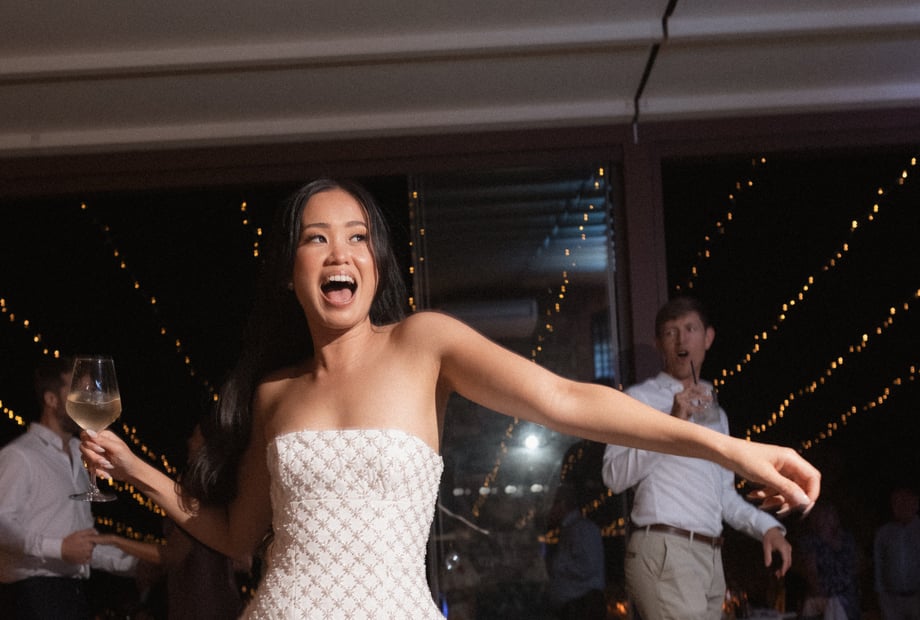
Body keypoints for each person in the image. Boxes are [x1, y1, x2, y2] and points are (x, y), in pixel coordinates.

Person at [79, 179, 820, 619]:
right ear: (291, 271)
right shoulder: (273, 393)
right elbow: (238, 534)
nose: (340, 252)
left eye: (358, 237)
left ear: (375, 263)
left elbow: (565, 398)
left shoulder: (423, 343)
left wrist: (730, 448)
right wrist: (135, 469)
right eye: (316, 238)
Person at [602, 296, 794, 620]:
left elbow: (723, 495)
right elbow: (613, 476)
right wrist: (672, 424)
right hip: (665, 548)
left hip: (710, 556)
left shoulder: (715, 413)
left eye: (690, 329)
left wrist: (768, 528)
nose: (681, 339)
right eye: (670, 332)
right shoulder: (639, 399)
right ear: (659, 344)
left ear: (708, 338)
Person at [0, 356, 137, 619]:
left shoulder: (79, 453)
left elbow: (82, 541)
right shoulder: (20, 456)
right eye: (80, 392)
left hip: (72, 593)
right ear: (51, 399)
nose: (89, 399)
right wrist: (58, 548)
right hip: (30, 595)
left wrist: (136, 565)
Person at [94, 422, 248, 619]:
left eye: (195, 436)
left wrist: (114, 540)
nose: (189, 441)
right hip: (197, 593)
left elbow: (172, 554)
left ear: (208, 446)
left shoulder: (203, 494)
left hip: (203, 598)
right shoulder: (214, 489)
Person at [545, 483, 606, 620]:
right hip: (573, 609)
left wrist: (555, 564)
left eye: (550, 504)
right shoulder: (571, 529)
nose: (548, 510)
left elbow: (587, 567)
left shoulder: (583, 529)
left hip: (581, 609)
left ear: (562, 504)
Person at [798, 501, 860, 620]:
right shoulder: (811, 542)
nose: (827, 519)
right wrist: (821, 592)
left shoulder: (847, 539)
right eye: (824, 515)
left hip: (847, 594)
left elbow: (855, 564)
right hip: (821, 595)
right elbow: (810, 570)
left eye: (831, 514)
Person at [874, 486, 920, 619]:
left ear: (915, 503)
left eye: (905, 501)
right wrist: (881, 595)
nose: (901, 507)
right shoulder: (884, 533)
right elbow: (879, 563)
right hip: (892, 600)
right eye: (896, 503)